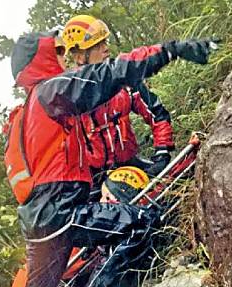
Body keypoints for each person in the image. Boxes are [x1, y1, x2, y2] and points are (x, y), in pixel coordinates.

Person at [5, 29, 216, 287]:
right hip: (61, 211)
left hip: (39, 219)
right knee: (138, 223)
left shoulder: (29, 107)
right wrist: (171, 50)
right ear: (40, 59)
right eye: (55, 52)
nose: (63, 57)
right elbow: (110, 74)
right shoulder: (51, 92)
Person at [61, 15, 178, 194]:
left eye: (105, 42)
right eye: (97, 46)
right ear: (79, 56)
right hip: (91, 179)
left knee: (172, 181)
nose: (106, 48)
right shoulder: (68, 95)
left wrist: (162, 150)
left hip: (128, 164)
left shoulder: (125, 83)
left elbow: (157, 113)